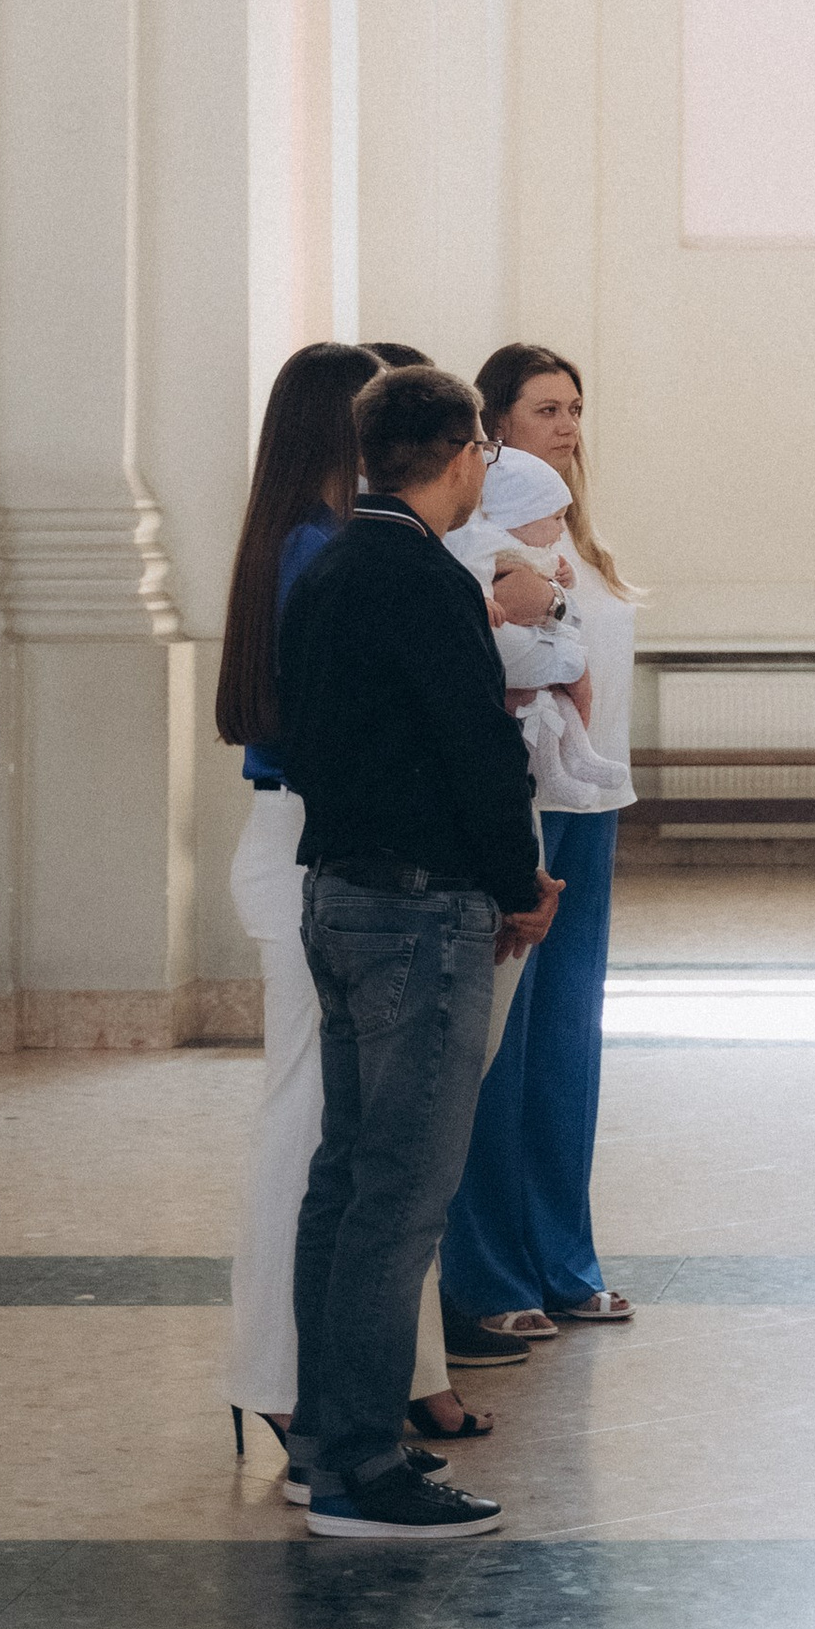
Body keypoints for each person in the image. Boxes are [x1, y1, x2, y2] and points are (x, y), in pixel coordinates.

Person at [280, 363, 562, 1539]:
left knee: (346, 1181)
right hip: (417, 908)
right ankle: (359, 1466)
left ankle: (321, 1441)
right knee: (400, 1193)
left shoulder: (334, 561)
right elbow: (475, 749)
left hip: (339, 891)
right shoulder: (423, 575)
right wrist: (517, 882)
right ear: (462, 456)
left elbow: (305, 741)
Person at [213, 342, 481, 1474]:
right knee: (324, 1138)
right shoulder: (323, 549)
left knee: (369, 1142)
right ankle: (285, 1384)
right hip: (321, 846)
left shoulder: (310, 540)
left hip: (314, 841)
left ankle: (386, 1374)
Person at [440, 344, 639, 1352]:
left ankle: (566, 1254)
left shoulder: (586, 551)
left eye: (575, 406)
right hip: (515, 805)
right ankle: (487, 1268)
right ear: (495, 425)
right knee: (501, 1046)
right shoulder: (477, 543)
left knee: (568, 1041)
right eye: (545, 407)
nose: (567, 423)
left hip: (591, 803)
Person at [453, 442, 628, 805]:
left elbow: (554, 586)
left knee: (553, 700)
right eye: (553, 518)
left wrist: (563, 577)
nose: (560, 529)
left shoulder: (533, 547)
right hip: (509, 641)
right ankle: (553, 773)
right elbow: (473, 570)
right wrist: (486, 596)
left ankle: (581, 756)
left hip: (537, 638)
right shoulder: (486, 540)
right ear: (521, 516)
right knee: (546, 696)